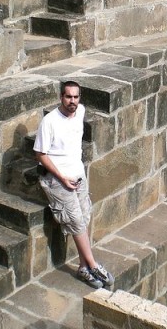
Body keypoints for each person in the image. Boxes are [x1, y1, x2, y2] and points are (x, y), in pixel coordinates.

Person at [33, 80, 114, 288]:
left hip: (78, 175)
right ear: (61, 97)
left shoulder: (80, 112)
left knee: (84, 215)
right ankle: (93, 265)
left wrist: (76, 174)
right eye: (68, 97)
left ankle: (83, 267)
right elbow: (40, 155)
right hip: (57, 180)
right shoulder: (49, 121)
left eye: (76, 97)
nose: (72, 101)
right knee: (76, 221)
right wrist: (62, 177)